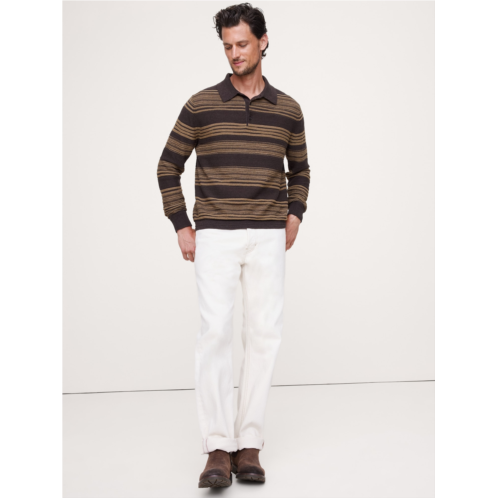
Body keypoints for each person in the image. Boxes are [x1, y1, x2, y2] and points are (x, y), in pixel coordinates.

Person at [156, 2, 310, 488]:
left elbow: (300, 170)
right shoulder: (201, 104)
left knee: (264, 336)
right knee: (216, 335)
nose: (235, 53)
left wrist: (295, 213)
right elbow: (167, 165)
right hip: (215, 235)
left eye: (242, 44)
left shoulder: (288, 109)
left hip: (267, 235)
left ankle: (250, 444)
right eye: (227, 46)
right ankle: (218, 448)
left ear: (263, 41)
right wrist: (181, 224)